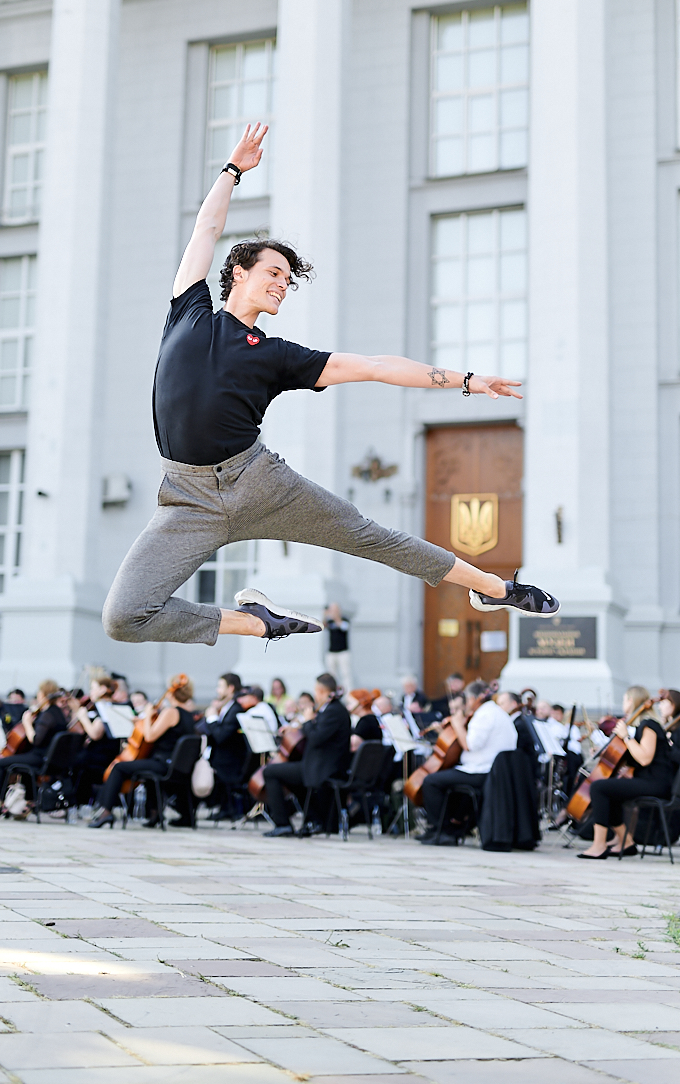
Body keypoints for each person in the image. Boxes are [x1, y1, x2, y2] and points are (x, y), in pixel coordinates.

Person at [101, 123, 559, 656]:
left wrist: (466, 380)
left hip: (257, 483)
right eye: (274, 272)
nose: (282, 284)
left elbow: (374, 366)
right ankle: (257, 623)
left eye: (287, 280)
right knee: (123, 617)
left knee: (372, 537)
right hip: (187, 498)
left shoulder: (276, 355)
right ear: (239, 272)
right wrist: (232, 171)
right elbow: (206, 228)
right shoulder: (189, 309)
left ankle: (496, 589)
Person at [578, 686, 675, 860]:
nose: (623, 703)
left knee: (599, 788)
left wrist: (626, 737)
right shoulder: (642, 726)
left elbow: (645, 758)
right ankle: (626, 841)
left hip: (656, 784)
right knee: (610, 793)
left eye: (624, 699)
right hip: (648, 781)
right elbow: (634, 756)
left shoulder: (649, 725)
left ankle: (599, 845)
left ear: (631, 700)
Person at [89, 676, 197, 828]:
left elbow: (150, 736)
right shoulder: (188, 714)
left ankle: (106, 812)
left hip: (164, 764)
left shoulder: (171, 712)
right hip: (176, 765)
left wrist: (146, 714)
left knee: (118, 767)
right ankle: (155, 814)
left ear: (171, 692)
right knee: (145, 766)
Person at [419, 681, 518, 846]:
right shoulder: (497, 712)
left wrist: (458, 725)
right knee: (446, 777)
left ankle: (442, 831)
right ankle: (449, 828)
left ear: (472, 698)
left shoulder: (484, 715)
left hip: (481, 771)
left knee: (431, 782)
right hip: (493, 771)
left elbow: (470, 745)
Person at [263, 673, 351, 836]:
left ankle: (283, 824)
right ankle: (313, 819)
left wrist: (308, 721)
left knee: (270, 772)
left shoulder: (334, 711)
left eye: (316, 691)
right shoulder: (330, 709)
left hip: (323, 768)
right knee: (288, 778)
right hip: (315, 765)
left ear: (322, 691)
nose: (315, 695)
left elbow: (316, 738)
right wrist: (297, 727)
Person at [0, 681, 67, 817]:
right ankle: (30, 801)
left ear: (44, 694)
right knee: (22, 762)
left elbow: (35, 740)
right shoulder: (58, 713)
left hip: (41, 758)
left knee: (1, 763)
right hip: (53, 760)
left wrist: (27, 723)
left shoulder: (47, 715)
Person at [66, 677, 122, 808]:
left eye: (93, 688)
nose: (90, 692)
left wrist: (83, 717)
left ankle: (79, 803)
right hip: (100, 752)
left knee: (73, 762)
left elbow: (95, 734)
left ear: (102, 689)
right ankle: (77, 802)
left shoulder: (105, 708)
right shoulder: (102, 706)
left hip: (103, 755)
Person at [203, 672, 248, 819]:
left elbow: (221, 736)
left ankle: (228, 808)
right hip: (221, 757)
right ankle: (223, 807)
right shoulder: (226, 706)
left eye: (220, 686)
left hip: (230, 761)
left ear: (230, 688)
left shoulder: (236, 708)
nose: (217, 690)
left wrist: (212, 718)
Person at [324, 604, 352, 692]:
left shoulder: (344, 620)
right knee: (332, 675)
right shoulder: (330, 621)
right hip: (332, 652)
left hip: (343, 652)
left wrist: (336, 618)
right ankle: (333, 692)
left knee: (345, 674)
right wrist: (325, 615)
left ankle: (348, 693)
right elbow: (323, 626)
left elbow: (344, 627)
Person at [346, 689, 383, 753]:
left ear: (361, 703)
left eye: (350, 703)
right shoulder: (370, 719)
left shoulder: (366, 721)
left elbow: (353, 744)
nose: (348, 706)